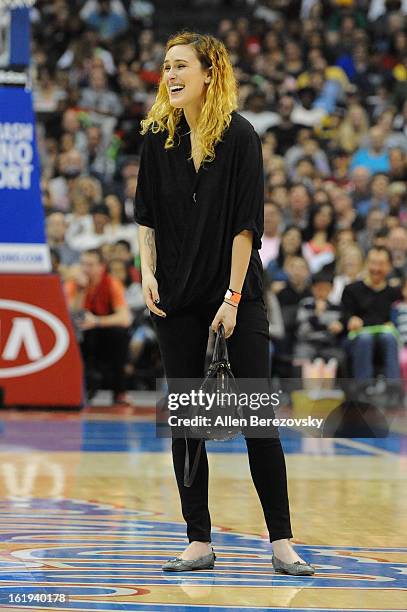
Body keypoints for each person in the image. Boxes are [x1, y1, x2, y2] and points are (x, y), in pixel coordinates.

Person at [134, 31, 314, 575]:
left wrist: (233, 298)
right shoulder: (157, 137)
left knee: (258, 420)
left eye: (181, 65)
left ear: (209, 72)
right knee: (187, 424)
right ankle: (198, 540)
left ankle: (281, 542)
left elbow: (245, 226)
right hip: (175, 299)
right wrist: (147, 271)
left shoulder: (241, 136)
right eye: (167, 66)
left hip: (237, 294)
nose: (171, 74)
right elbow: (145, 215)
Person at [65, 248, 131, 403]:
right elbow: (69, 315)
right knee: (77, 334)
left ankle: (119, 392)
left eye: (90, 265)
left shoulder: (111, 283)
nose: (85, 269)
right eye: (83, 264)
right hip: (82, 334)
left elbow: (125, 318)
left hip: (104, 332)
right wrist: (81, 291)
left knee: (119, 334)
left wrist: (97, 321)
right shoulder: (73, 284)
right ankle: (80, 388)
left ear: (101, 266)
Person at [341, 246, 402, 380]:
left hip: (385, 338)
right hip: (356, 339)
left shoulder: (395, 293)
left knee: (389, 338)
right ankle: (363, 390)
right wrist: (351, 320)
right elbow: (344, 317)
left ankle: (394, 390)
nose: (376, 269)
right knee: (365, 338)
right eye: (373, 263)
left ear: (389, 266)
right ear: (366, 263)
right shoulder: (351, 290)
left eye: (381, 264)